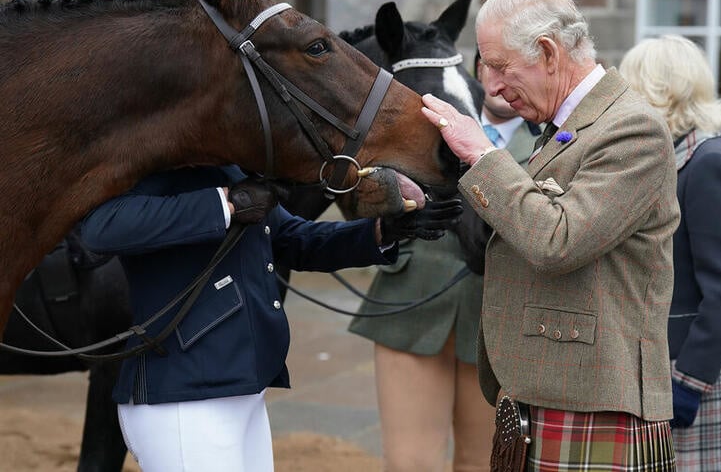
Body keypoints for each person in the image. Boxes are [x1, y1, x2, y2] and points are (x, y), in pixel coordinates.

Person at [419, 0, 681, 471]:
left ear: (548, 52)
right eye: (485, 66)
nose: (490, 86)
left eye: (499, 66)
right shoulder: (566, 123)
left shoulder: (632, 128)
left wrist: (481, 152)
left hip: (594, 401)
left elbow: (557, 241)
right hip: (543, 392)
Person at [80, 165, 462, 472]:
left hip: (246, 389)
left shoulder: (230, 167)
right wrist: (225, 203)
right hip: (181, 398)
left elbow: (294, 239)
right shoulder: (155, 164)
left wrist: (382, 231)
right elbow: (100, 228)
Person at [347, 52, 539, 472]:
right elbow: (357, 194)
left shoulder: (550, 143)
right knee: (409, 462)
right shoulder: (428, 126)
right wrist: (393, 201)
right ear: (476, 73)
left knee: (483, 461)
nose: (503, 79)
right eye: (493, 66)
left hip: (495, 323)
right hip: (411, 304)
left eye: (516, 67)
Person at [620, 35, 721, 471]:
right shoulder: (670, 156)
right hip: (665, 364)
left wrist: (689, 383)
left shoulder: (709, 162)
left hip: (699, 369)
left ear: (658, 90)